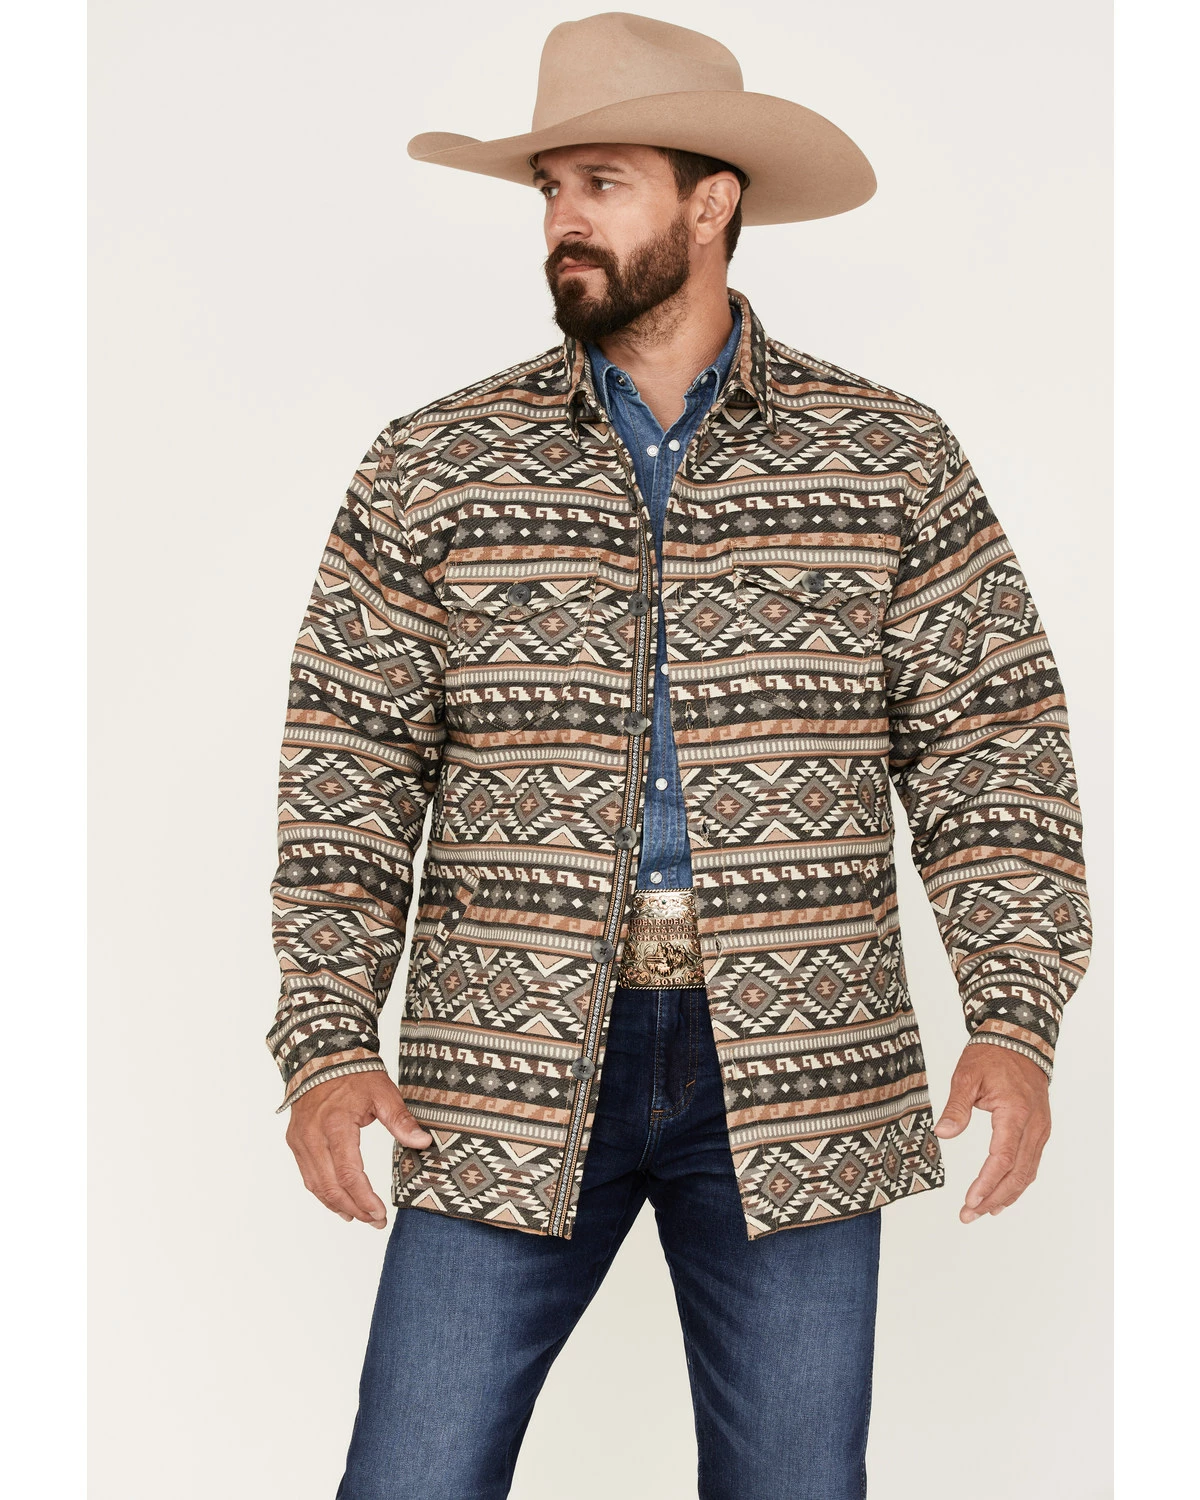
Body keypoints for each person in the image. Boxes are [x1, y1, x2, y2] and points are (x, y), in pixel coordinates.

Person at [266, 14, 1093, 1498]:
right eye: (550, 190)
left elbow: (994, 752)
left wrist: (1015, 1019)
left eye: (604, 183)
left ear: (712, 204)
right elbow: (346, 776)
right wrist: (326, 1041)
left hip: (801, 1060)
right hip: (507, 1061)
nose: (563, 222)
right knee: (411, 1475)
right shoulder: (434, 464)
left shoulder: (888, 458)